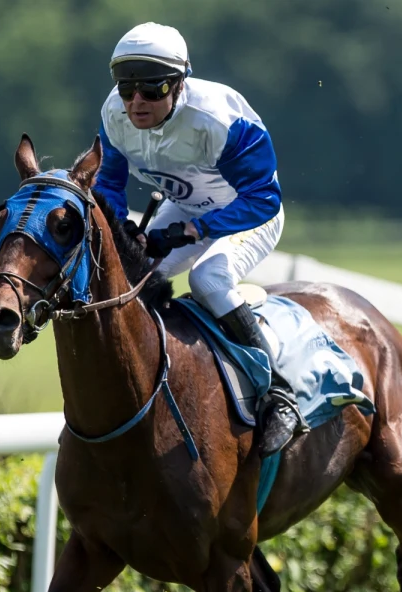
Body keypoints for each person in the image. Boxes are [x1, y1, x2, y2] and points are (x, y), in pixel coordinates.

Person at [93, 22, 300, 455]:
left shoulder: (217, 119)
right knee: (135, 280)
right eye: (127, 88)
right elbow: (108, 183)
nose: (136, 102)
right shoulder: (114, 113)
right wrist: (122, 226)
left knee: (207, 280)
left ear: (179, 83)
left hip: (246, 212)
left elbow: (263, 198)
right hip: (185, 206)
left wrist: (197, 230)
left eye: (151, 90)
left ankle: (280, 394)